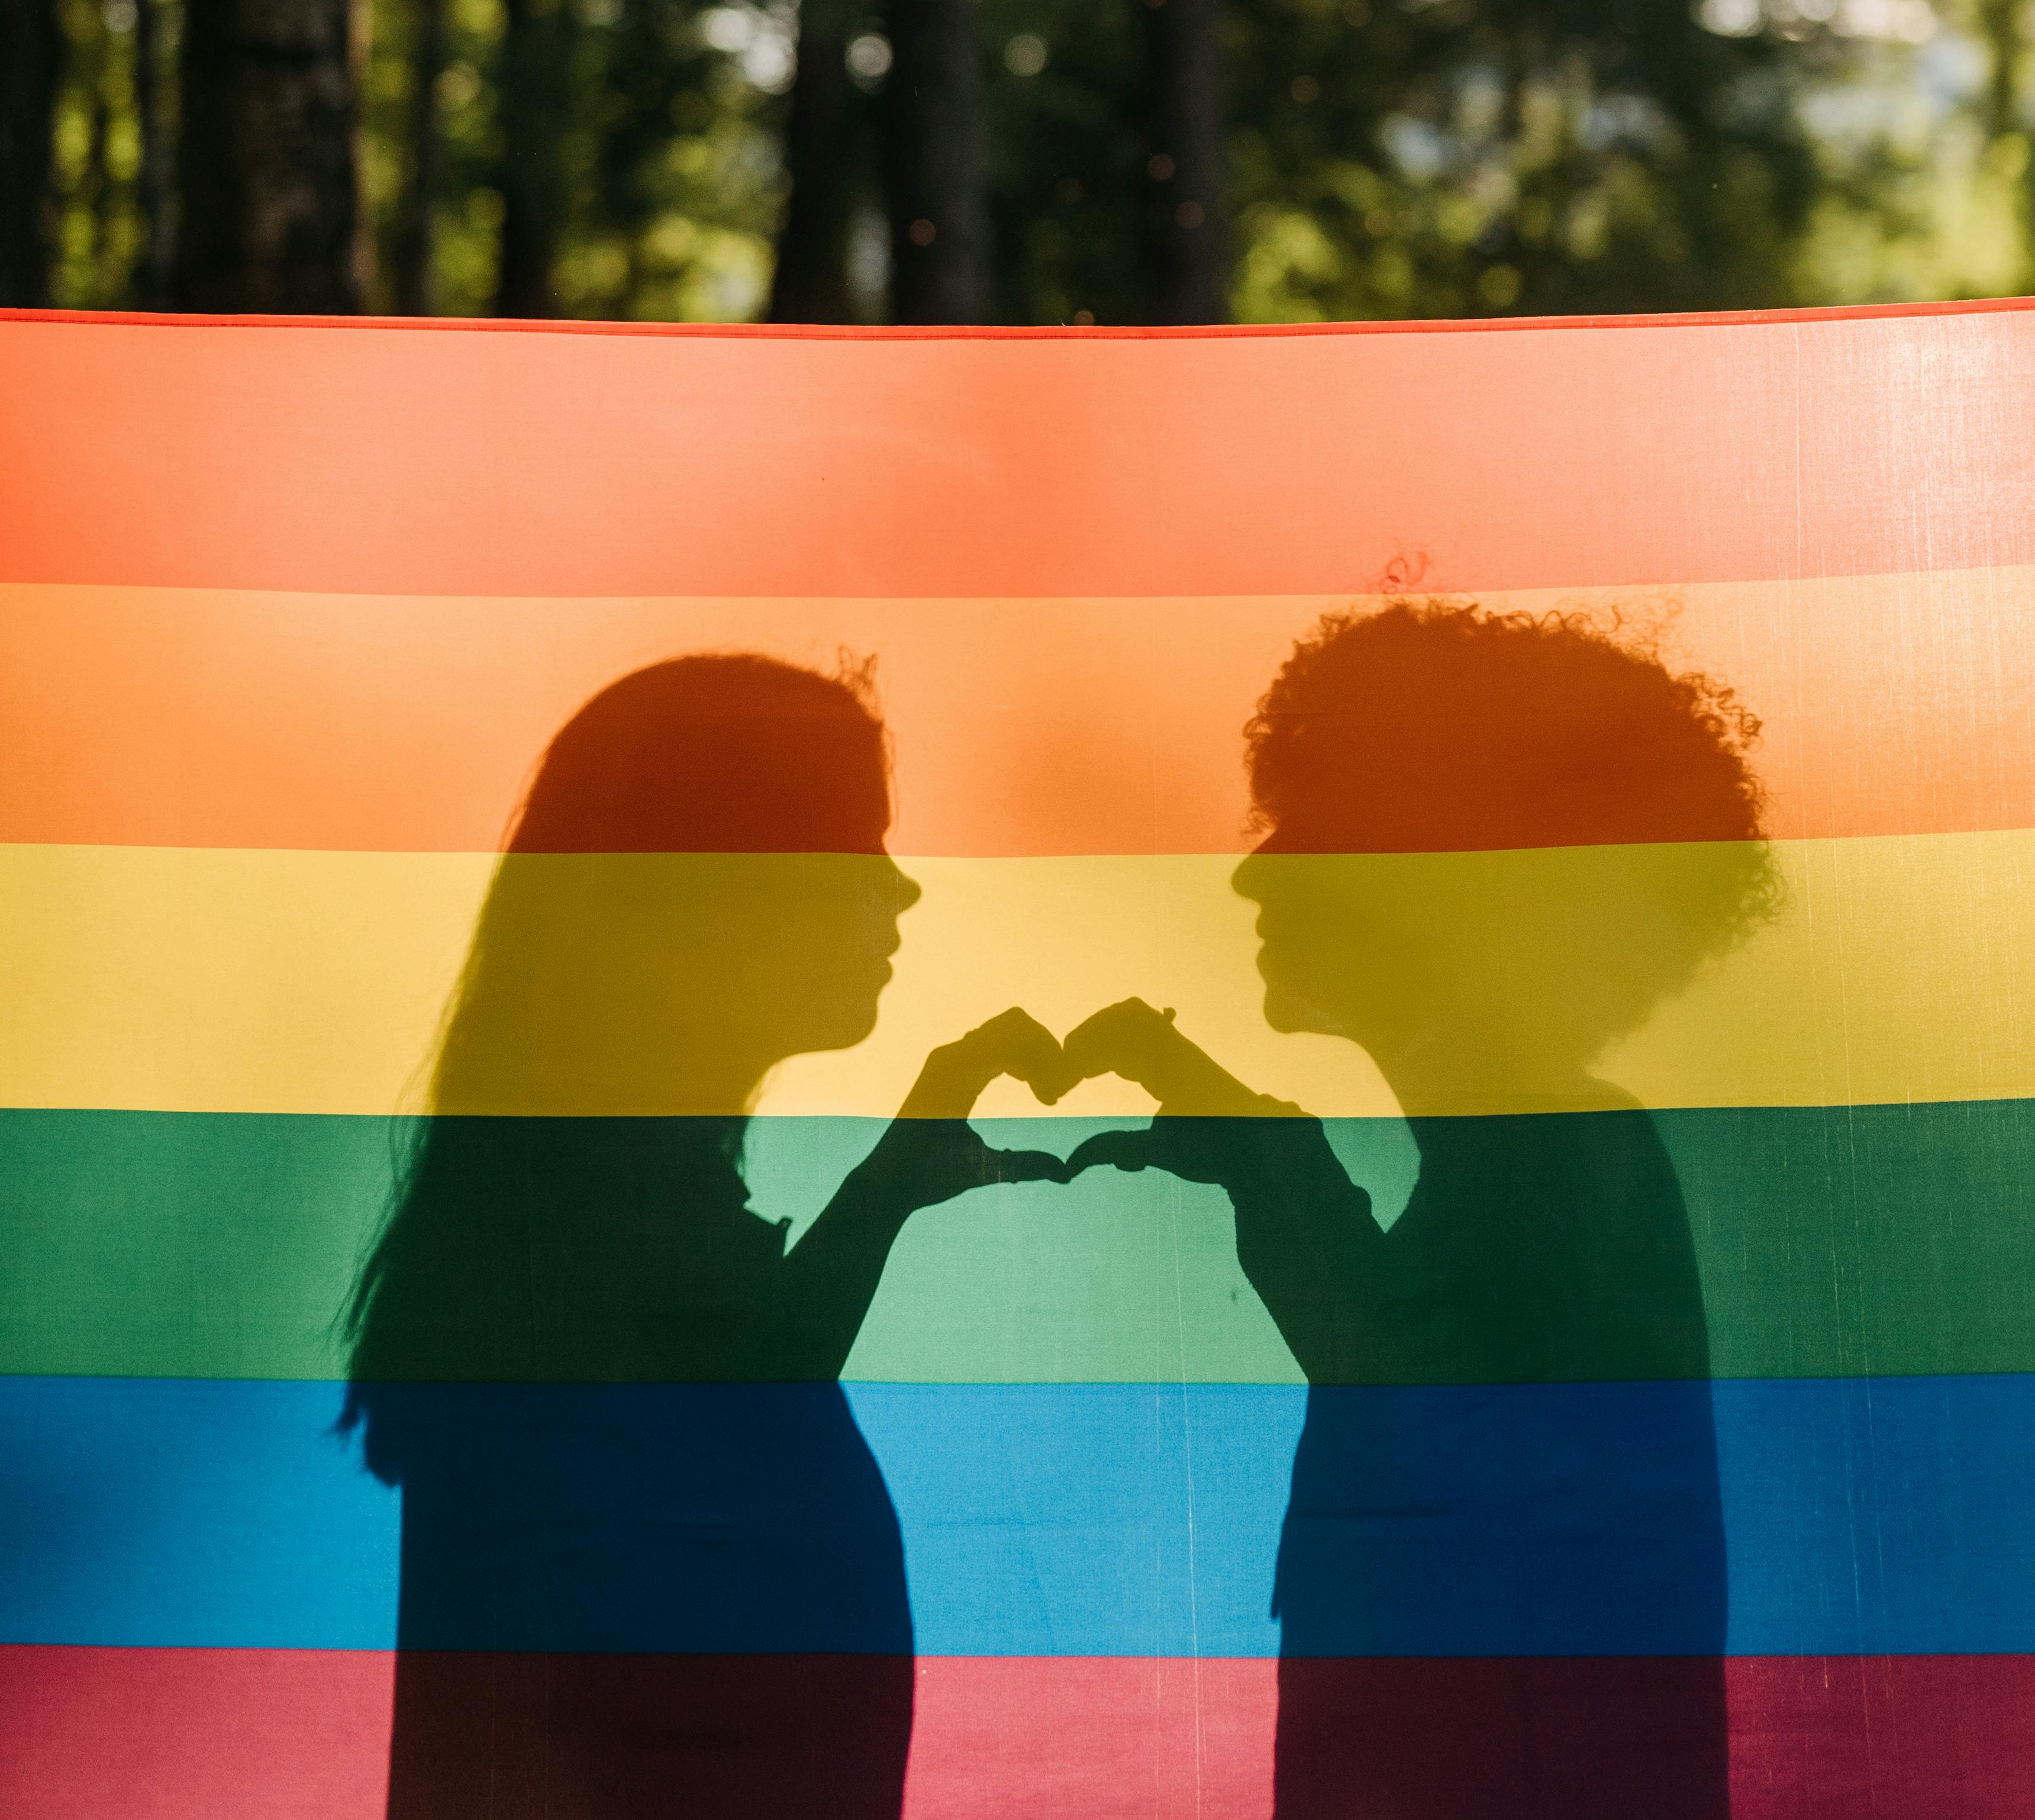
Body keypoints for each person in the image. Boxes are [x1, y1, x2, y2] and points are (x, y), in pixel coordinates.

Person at [1061, 601, 1778, 1820]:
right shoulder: (1558, 1155)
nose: (1249, 870)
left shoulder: (1561, 1158)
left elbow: (1407, 1396)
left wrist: (1261, 1151)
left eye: (1308, 827)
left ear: (1434, 872)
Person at [343, 650, 1063, 1819]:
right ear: (711, 891)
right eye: (851, 845)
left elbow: (728, 1414)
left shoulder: (592, 1238)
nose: (901, 892)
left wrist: (884, 1190)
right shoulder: (583, 1263)